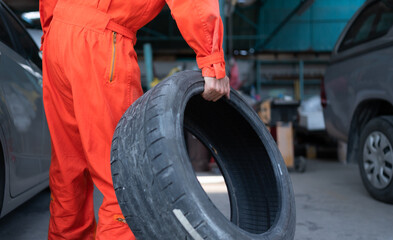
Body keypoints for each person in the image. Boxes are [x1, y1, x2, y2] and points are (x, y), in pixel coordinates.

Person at [39, 0, 230, 239]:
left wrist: (51, 30)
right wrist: (212, 59)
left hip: (58, 36)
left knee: (68, 170)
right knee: (125, 177)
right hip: (100, 38)